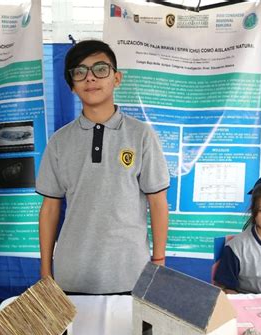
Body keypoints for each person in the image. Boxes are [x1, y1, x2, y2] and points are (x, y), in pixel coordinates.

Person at [36, 40, 169, 295]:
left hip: (130, 274)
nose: (90, 78)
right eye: (79, 72)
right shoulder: (59, 142)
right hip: (71, 275)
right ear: (72, 86)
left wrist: (159, 262)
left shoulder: (140, 135)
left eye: (100, 69)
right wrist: (45, 271)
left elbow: (157, 201)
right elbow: (50, 208)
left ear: (116, 78)